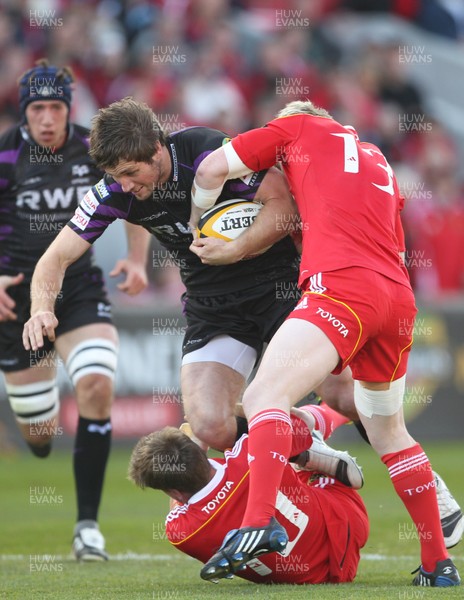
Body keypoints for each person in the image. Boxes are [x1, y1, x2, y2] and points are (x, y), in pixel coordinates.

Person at [190, 99, 461, 587]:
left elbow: (211, 166)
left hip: (342, 288)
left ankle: (256, 524)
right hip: (397, 300)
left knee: (262, 397)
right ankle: (437, 564)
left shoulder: (296, 127)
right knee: (389, 432)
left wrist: (198, 217)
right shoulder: (379, 160)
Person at [21, 96, 301, 456]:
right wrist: (41, 308)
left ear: (156, 150)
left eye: (130, 173)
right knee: (209, 425)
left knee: (341, 395)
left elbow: (285, 205)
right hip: (213, 306)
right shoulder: (114, 192)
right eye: (114, 176)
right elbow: (55, 257)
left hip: (280, 287)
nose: (122, 185)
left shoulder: (206, 152)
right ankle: (307, 448)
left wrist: (236, 248)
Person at [0, 60, 145, 561]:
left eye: (55, 107)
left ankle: (88, 527)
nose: (46, 118)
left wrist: (136, 258)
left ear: (69, 109)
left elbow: (137, 190)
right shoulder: (4, 155)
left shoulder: (94, 150)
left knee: (97, 384)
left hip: (79, 288)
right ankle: (38, 436)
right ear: (24, 112)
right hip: (13, 300)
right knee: (39, 434)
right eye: (37, 108)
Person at [127, 408, 369, 585]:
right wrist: (208, 424)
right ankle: (326, 428)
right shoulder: (248, 452)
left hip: (321, 577)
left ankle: (305, 452)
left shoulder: (180, 532)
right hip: (346, 518)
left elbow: (178, 505)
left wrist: (198, 443)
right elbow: (273, 417)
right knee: (280, 427)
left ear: (172, 491)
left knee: (280, 453)